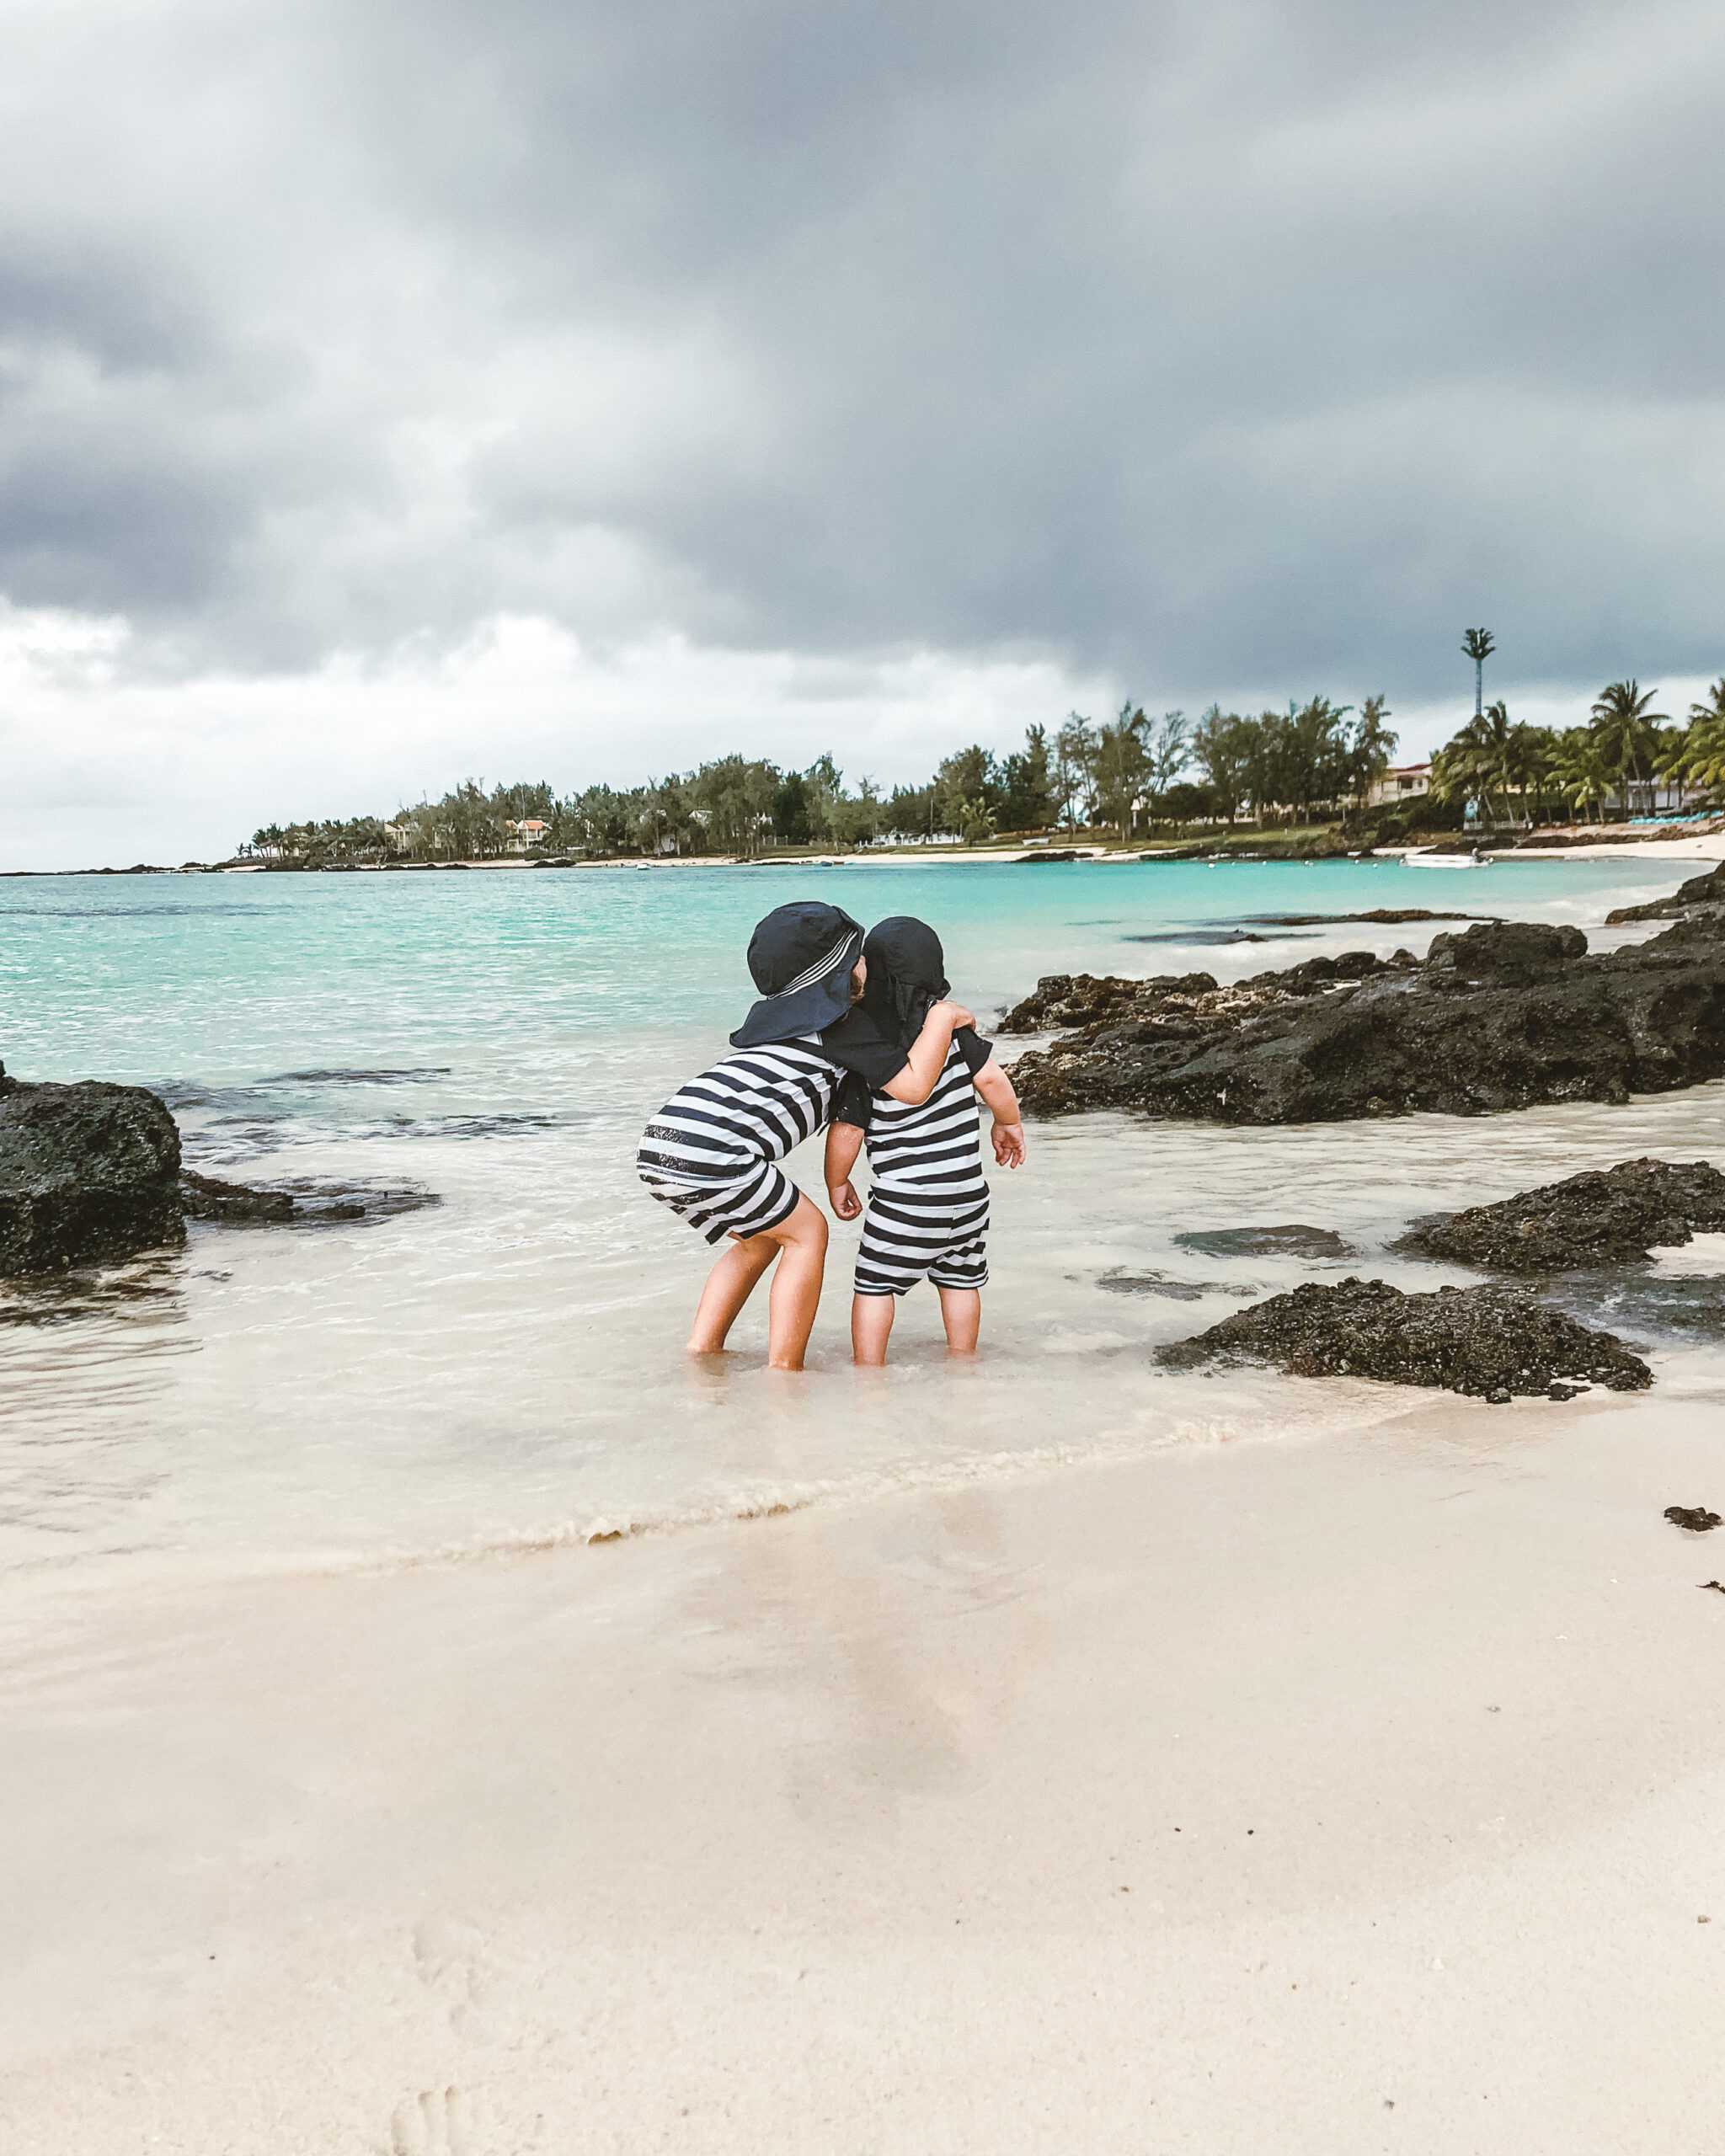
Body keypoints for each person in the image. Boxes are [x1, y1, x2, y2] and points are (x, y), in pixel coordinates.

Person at [636, 901, 974, 1370]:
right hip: (715, 1149)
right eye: (858, 955)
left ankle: (702, 1350)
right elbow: (913, 1088)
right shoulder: (844, 1028)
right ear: (836, 972)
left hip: (663, 1142)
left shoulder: (778, 1028)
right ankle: (785, 1370)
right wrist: (941, 1019)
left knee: (758, 1240)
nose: (868, 964)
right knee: (808, 1233)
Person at [821, 915, 1026, 1364]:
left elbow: (848, 1129)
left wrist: (836, 1181)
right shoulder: (954, 1034)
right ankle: (963, 1361)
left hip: (906, 1202)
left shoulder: (872, 1050)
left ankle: (869, 1372)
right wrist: (1007, 1123)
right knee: (961, 1281)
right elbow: (993, 1080)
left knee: (875, 1285)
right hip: (968, 1197)